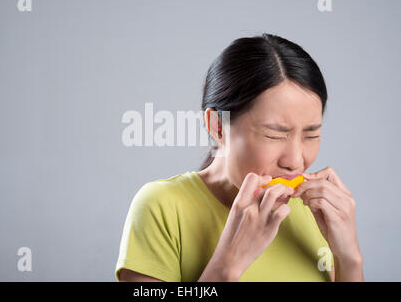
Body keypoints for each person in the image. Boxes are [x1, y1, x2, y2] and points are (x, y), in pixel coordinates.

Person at [115, 34, 364, 282]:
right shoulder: (161, 207)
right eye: (275, 135)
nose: (296, 161)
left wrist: (349, 258)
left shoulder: (317, 212)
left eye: (311, 135)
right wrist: (228, 265)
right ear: (218, 126)